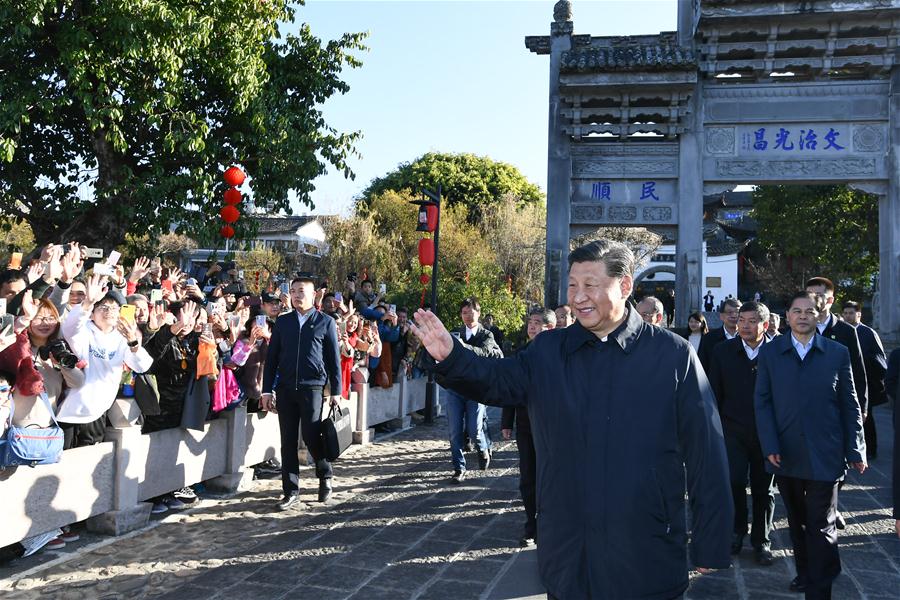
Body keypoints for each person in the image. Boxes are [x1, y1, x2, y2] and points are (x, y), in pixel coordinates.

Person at [411, 240, 732, 599]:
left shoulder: (672, 355)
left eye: (590, 285)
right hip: (568, 550)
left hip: (645, 549)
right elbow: (497, 379)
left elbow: (706, 452)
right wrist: (451, 355)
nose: (579, 297)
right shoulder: (549, 351)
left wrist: (711, 539)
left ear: (625, 286)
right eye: (573, 285)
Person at [754, 291, 865, 598]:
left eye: (809, 311)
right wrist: (770, 444)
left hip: (826, 451)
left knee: (821, 523)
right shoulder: (771, 353)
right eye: (797, 311)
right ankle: (808, 572)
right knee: (798, 521)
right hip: (785, 452)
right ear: (787, 316)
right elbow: (762, 402)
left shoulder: (837, 353)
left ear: (820, 316)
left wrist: (855, 449)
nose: (803, 316)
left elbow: (850, 403)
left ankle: (819, 588)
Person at [261, 276, 342, 510]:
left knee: (311, 435)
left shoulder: (325, 322)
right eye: (294, 291)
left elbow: (334, 360)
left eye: (302, 291)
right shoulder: (283, 322)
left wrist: (336, 391)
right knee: (287, 441)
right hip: (285, 389)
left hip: (312, 388)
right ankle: (291, 491)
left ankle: (325, 474)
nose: (297, 295)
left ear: (314, 294)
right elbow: (272, 359)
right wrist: (267, 390)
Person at [708, 301, 775, 566]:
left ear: (765, 325)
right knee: (734, 481)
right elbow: (713, 391)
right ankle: (737, 530)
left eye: (752, 321)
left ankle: (762, 540)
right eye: (741, 320)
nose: (745, 326)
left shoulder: (777, 352)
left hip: (767, 433)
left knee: (764, 489)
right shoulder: (722, 351)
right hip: (732, 430)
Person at [57, 274, 153, 448]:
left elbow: (142, 365)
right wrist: (87, 303)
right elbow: (70, 328)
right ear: (92, 314)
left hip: (97, 412)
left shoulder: (123, 337)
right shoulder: (84, 331)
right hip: (68, 411)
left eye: (114, 308)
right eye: (103, 307)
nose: (109, 311)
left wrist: (133, 341)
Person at [805, 277, 868, 530]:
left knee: (837, 464)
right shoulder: (797, 327)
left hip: (836, 410)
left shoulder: (846, 332)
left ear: (830, 300)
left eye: (818, 295)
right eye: (808, 293)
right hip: (804, 409)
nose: (812, 299)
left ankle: (831, 506)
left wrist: (862, 408)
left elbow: (859, 374)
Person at [501, 307, 555, 547]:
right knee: (528, 477)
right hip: (526, 425)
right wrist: (506, 421)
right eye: (530, 322)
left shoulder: (562, 354)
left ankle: (551, 523)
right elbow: (510, 388)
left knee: (552, 477)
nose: (532, 326)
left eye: (537, 322)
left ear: (550, 328)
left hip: (555, 427)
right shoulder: (521, 353)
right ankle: (531, 525)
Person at [441, 297, 503, 483]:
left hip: (476, 389)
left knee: (474, 429)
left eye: (471, 312)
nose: (467, 316)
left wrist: (464, 347)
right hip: (455, 387)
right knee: (454, 431)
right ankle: (459, 468)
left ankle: (483, 448)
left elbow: (486, 352)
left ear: (479, 313)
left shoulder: (486, 335)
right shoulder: (455, 333)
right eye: (464, 312)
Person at [841, 301, 887, 460]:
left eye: (851, 313)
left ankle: (870, 449)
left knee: (866, 417)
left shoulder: (868, 333)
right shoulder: (840, 331)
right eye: (845, 313)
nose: (848, 316)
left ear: (859, 314)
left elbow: (880, 359)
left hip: (865, 382)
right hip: (844, 381)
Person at [698, 297, 741, 373]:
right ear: (721, 316)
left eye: (737, 312)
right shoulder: (708, 338)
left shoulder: (748, 338)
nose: (734, 316)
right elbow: (702, 367)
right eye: (730, 312)